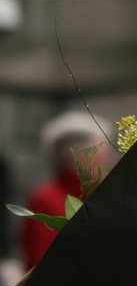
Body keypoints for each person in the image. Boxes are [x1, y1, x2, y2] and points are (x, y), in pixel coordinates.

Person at [18, 110, 116, 270]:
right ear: (74, 158)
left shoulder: (106, 197)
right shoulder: (46, 200)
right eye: (101, 156)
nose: (108, 163)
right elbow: (42, 262)